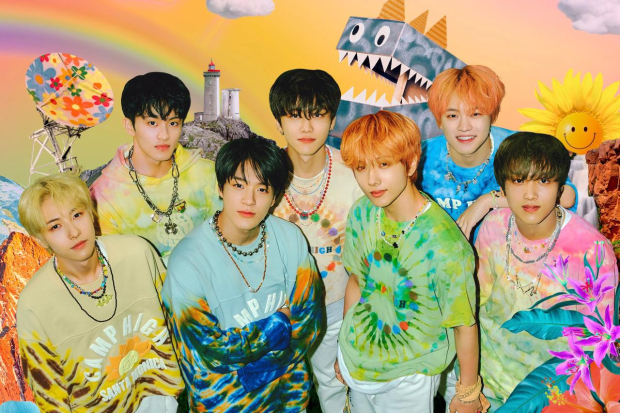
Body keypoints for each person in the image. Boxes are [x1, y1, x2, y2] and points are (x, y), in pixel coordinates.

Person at [335, 111, 487, 413]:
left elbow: (464, 324)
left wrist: (468, 393)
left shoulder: (445, 244)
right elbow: (356, 281)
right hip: (359, 364)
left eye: (384, 164)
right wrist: (345, 347)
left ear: (411, 163)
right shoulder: (362, 212)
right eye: (361, 167)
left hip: (412, 373)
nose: (371, 179)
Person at [161, 138, 325, 412]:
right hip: (224, 402)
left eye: (262, 189)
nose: (249, 200)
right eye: (239, 185)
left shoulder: (290, 238)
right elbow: (210, 352)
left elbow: (310, 323)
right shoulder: (187, 261)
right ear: (220, 188)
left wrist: (250, 364)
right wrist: (278, 324)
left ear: (274, 197)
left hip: (289, 398)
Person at [16, 173, 184, 412]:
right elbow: (50, 395)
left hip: (163, 399)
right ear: (41, 239)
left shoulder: (137, 253)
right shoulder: (35, 303)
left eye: (77, 215)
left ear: (91, 213)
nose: (73, 232)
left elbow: (178, 322)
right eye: (55, 226)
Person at [475, 132, 618, 409]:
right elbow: (477, 303)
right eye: (518, 180)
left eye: (543, 181)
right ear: (502, 187)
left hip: (553, 394)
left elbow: (601, 340)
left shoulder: (591, 249)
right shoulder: (494, 225)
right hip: (488, 380)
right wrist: (468, 384)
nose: (530, 194)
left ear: (560, 187)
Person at [270, 68, 363, 412]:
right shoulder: (262, 175)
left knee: (335, 389)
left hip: (338, 307)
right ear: (279, 122)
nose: (306, 127)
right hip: (277, 311)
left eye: (317, 115)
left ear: (332, 119)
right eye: (295, 116)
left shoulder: (354, 173)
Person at [418, 65, 576, 239]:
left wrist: (487, 201)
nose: (464, 127)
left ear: (491, 116)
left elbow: (567, 196)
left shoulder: (518, 147)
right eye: (452, 116)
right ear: (439, 121)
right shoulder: (421, 155)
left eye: (475, 114)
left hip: (507, 252)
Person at [90, 72, 220, 262]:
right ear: (129, 126)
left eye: (173, 123)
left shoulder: (208, 174)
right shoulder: (103, 196)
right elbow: (116, 268)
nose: (164, 135)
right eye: (152, 123)